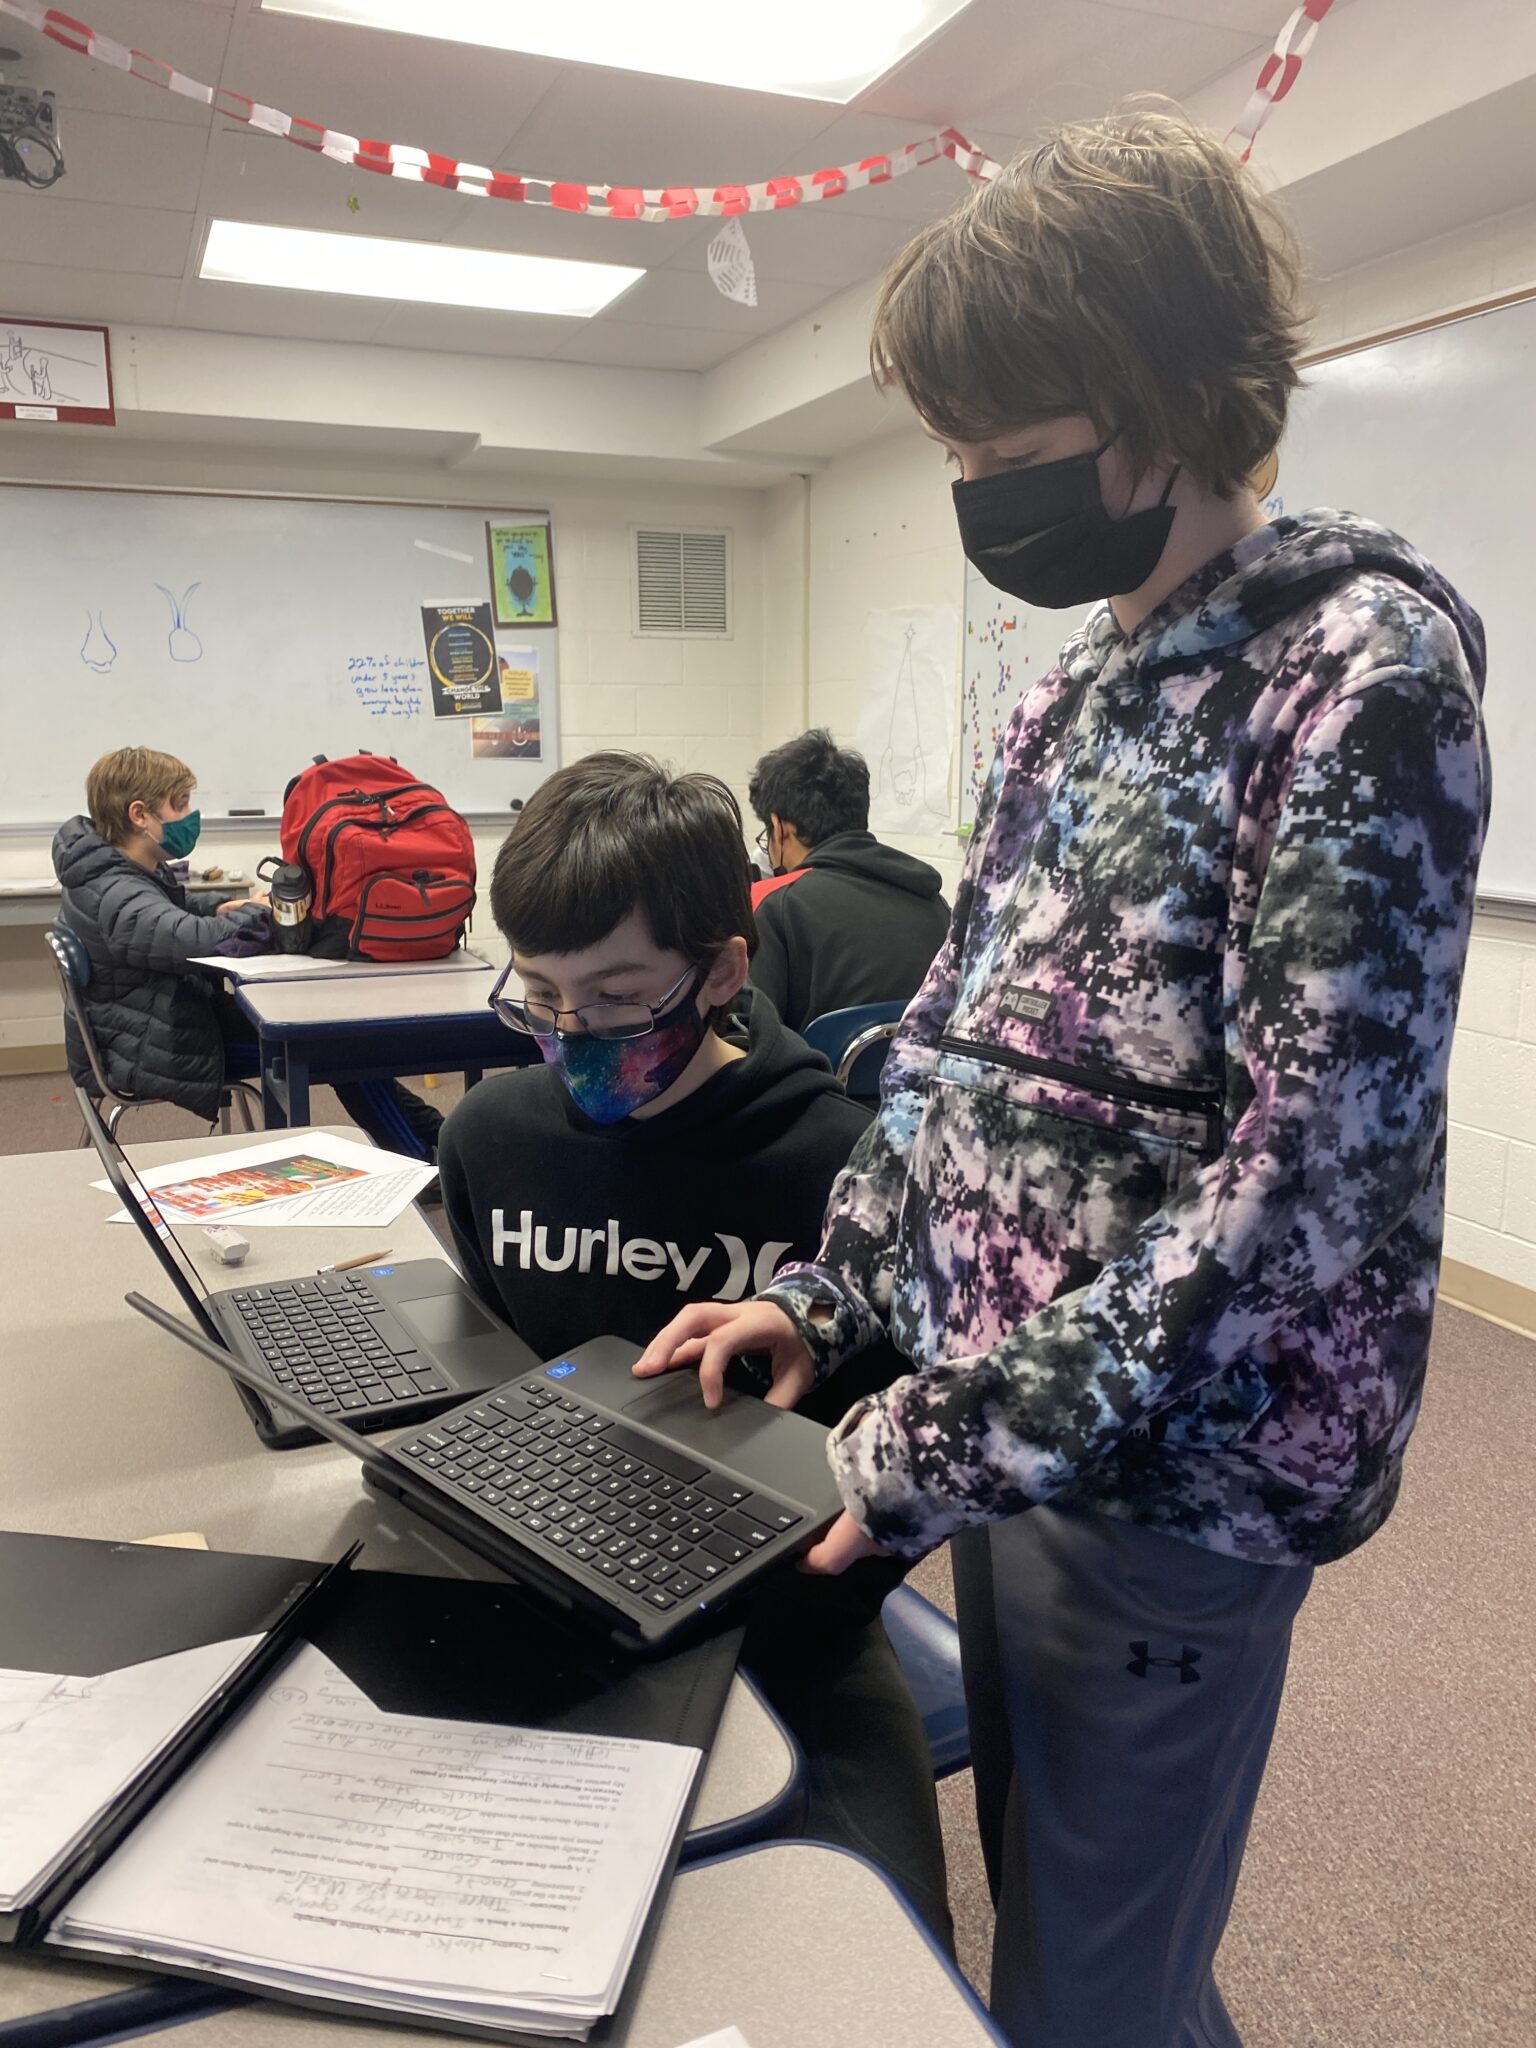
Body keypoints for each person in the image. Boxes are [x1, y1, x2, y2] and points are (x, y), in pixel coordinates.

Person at [636, 105, 1490, 2048]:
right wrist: (825, 1294)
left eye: (995, 450)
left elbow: (1301, 1193)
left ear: (1166, 400)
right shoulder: (1072, 694)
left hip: (1182, 1467)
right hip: (1004, 1427)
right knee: (1064, 1919)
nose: (968, 487)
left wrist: (927, 1443)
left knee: (1088, 1990)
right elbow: (947, 1055)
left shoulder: (1360, 683)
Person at [435, 750, 951, 1942]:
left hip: (786, 1640)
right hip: (544, 1607)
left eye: (619, 996)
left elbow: (882, 1480)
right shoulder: (489, 1138)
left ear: (723, 969)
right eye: (542, 995)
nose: (574, 1034)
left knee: (878, 1954)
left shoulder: (841, 1172)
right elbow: (490, 1387)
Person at [54, 746, 444, 1156]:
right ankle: (419, 1153)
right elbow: (189, 938)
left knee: (336, 1041)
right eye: (180, 803)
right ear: (140, 815)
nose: (190, 815)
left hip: (157, 1019)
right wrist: (266, 918)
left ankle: (429, 1134)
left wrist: (223, 906)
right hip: (156, 1043)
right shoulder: (115, 891)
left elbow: (173, 910)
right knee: (331, 1045)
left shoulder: (111, 869)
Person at [746, 728, 949, 1031]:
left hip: (818, 1079)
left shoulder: (779, 907)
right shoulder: (935, 903)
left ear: (780, 828)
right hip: (917, 1077)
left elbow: (751, 1035)